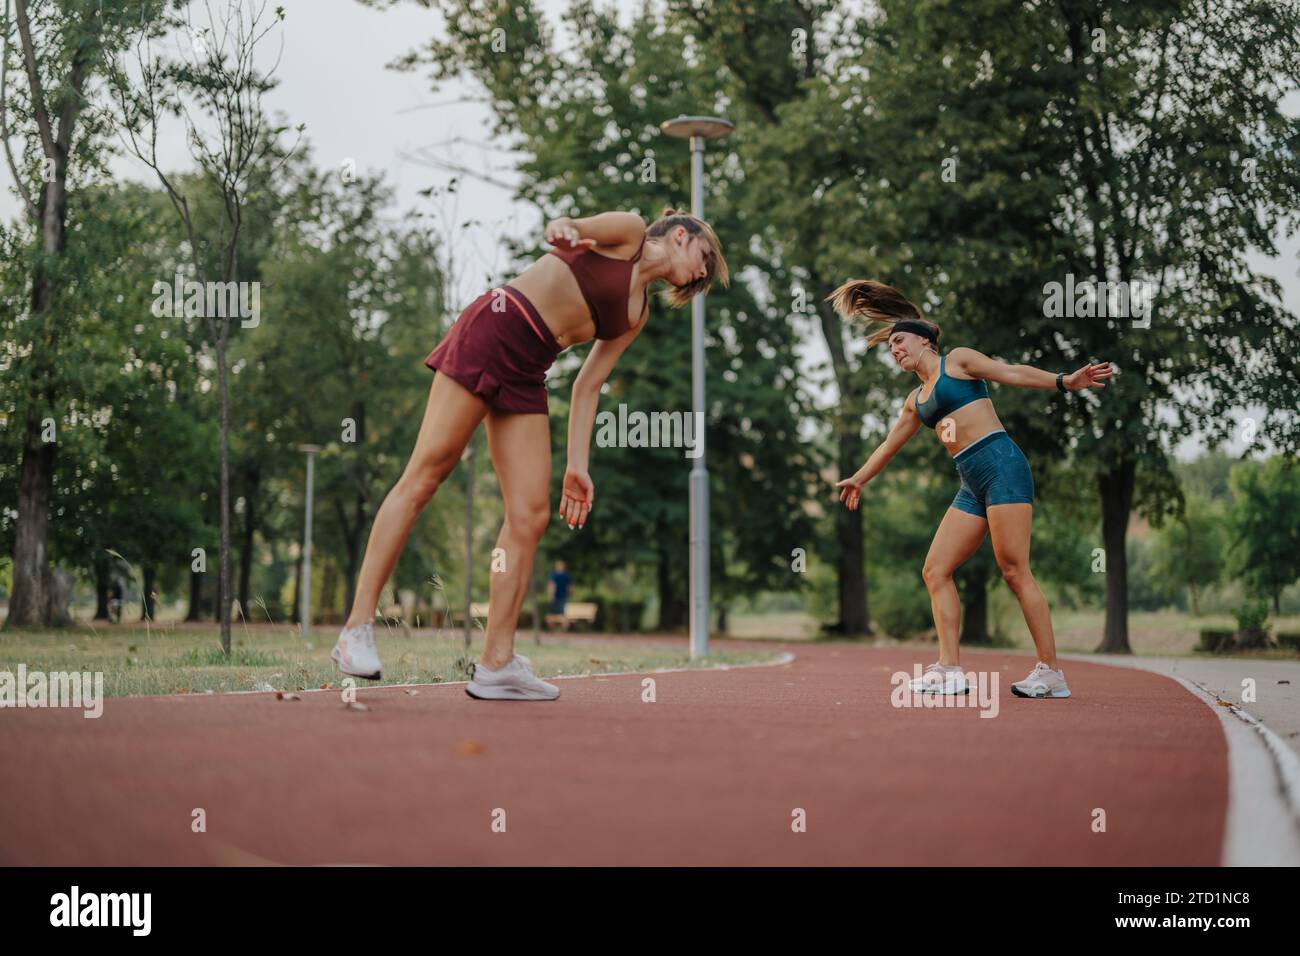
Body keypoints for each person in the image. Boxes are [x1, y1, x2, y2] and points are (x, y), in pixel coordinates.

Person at [331, 208, 729, 700]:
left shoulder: (636, 314)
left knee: (530, 515)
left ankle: (496, 662)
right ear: (681, 235)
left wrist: (577, 466)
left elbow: (587, 386)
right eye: (705, 257)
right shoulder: (628, 230)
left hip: (528, 368)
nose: (704, 271)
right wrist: (564, 231)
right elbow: (569, 228)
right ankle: (357, 629)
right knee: (426, 476)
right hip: (495, 328)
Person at [829, 279, 1111, 699]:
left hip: (1002, 466)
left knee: (1014, 570)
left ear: (925, 341)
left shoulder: (957, 362)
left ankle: (1050, 672)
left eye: (900, 341)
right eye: (891, 347)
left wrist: (1063, 381)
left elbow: (1010, 371)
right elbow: (889, 444)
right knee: (935, 570)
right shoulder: (915, 400)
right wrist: (859, 477)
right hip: (971, 482)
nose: (895, 350)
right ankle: (949, 670)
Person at [547, 560, 572, 630]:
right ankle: (564, 630)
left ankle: (551, 630)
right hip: (563, 597)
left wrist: (550, 596)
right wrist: (569, 596)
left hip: (555, 597)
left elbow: (552, 586)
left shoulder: (553, 575)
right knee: (563, 614)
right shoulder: (567, 576)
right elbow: (569, 588)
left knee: (551, 614)